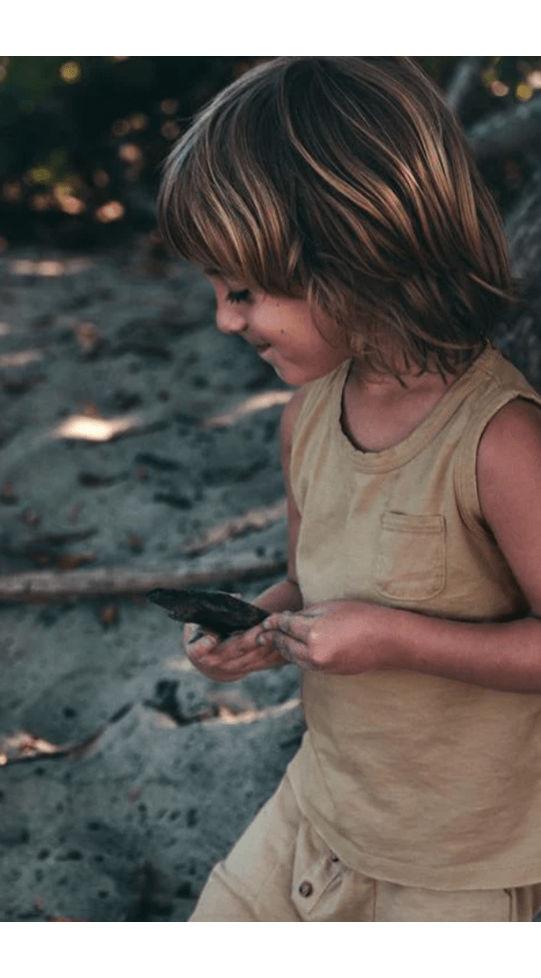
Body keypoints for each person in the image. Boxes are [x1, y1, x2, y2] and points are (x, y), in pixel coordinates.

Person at [156, 57, 541, 922]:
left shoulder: (499, 441)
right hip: (317, 812)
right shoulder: (305, 417)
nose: (223, 318)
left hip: (459, 865)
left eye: (243, 290)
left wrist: (397, 640)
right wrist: (257, 627)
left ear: (353, 253)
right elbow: (310, 581)